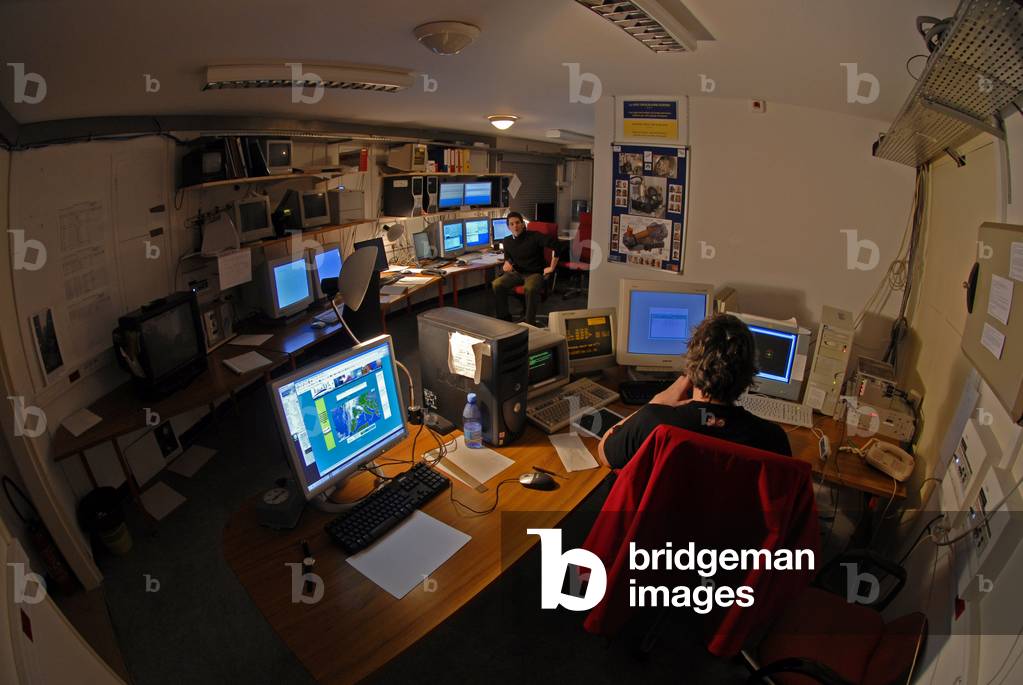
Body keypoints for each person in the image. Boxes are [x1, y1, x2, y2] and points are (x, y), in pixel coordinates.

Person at [598, 313, 791, 469]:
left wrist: (655, 402)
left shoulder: (654, 421)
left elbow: (605, 455)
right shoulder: (773, 438)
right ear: (749, 373)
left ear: (691, 365)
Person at [491, 212, 561, 326]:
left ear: (523, 224)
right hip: (517, 273)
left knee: (530, 287)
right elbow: (509, 259)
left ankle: (529, 324)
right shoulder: (507, 241)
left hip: (535, 273)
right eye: (512, 224)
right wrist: (507, 264)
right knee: (496, 284)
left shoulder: (534, 236)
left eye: (517, 223)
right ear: (508, 227)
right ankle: (504, 320)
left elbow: (557, 245)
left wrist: (552, 267)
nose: (515, 226)